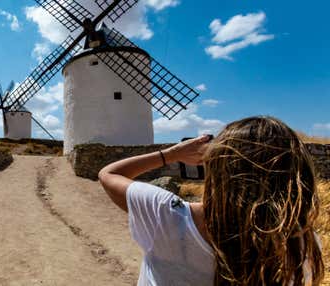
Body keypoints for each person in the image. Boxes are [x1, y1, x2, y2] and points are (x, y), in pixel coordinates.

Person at [98, 116, 323, 285]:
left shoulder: (168, 216)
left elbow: (108, 174)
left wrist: (172, 154)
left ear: (216, 166)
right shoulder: (302, 244)